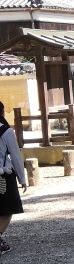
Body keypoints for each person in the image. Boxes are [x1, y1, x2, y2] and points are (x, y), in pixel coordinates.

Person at [0, 100, 26, 254]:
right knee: (7, 210)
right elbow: (16, 156)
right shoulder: (6, 132)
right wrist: (22, 179)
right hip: (4, 176)